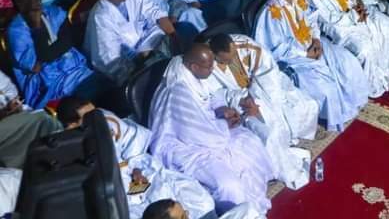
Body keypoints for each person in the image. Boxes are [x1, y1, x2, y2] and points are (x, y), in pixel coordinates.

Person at [148, 44, 276, 216]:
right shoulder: (177, 91)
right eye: (209, 66)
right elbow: (198, 134)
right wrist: (225, 124)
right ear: (194, 67)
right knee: (228, 184)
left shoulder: (191, 72)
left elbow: (209, 97)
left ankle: (255, 197)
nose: (213, 68)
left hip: (207, 132)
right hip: (184, 146)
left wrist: (222, 109)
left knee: (250, 142)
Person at [56, 97, 215, 219]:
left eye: (95, 111)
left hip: (141, 175)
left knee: (201, 201)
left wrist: (137, 169)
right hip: (119, 195)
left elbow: (135, 150)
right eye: (90, 116)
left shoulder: (103, 120)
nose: (98, 117)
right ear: (72, 126)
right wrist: (130, 185)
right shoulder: (66, 152)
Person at [255, 0, 369, 131]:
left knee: (348, 63)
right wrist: (305, 53)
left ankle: (352, 103)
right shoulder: (270, 13)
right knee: (327, 87)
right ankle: (333, 117)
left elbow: (312, 20)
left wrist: (316, 39)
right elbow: (277, 48)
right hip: (293, 57)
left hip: (314, 43)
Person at [206, 33, 316, 190]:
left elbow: (268, 72)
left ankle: (288, 140)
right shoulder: (207, 62)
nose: (232, 61)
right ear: (215, 55)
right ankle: (280, 163)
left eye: (233, 56)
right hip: (238, 102)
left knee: (305, 106)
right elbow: (216, 94)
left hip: (263, 88)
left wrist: (258, 97)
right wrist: (242, 99)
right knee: (267, 132)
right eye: (227, 61)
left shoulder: (245, 45)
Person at [8, 0, 100, 109]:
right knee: (91, 94)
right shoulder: (17, 30)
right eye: (29, 1)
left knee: (107, 84)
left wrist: (48, 54)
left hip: (75, 67)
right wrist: (37, 28)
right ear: (19, 4)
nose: (36, 4)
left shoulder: (53, 12)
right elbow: (35, 67)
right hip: (50, 82)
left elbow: (68, 40)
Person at [84, 0, 176, 85]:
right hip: (124, 59)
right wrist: (134, 74)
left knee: (162, 30)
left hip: (143, 47)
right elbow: (107, 54)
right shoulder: (101, 15)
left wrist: (173, 36)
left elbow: (156, 13)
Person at [0, 70, 61, 168]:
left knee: (46, 121)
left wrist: (13, 104)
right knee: (42, 120)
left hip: (15, 115)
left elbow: (10, 92)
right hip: (5, 123)